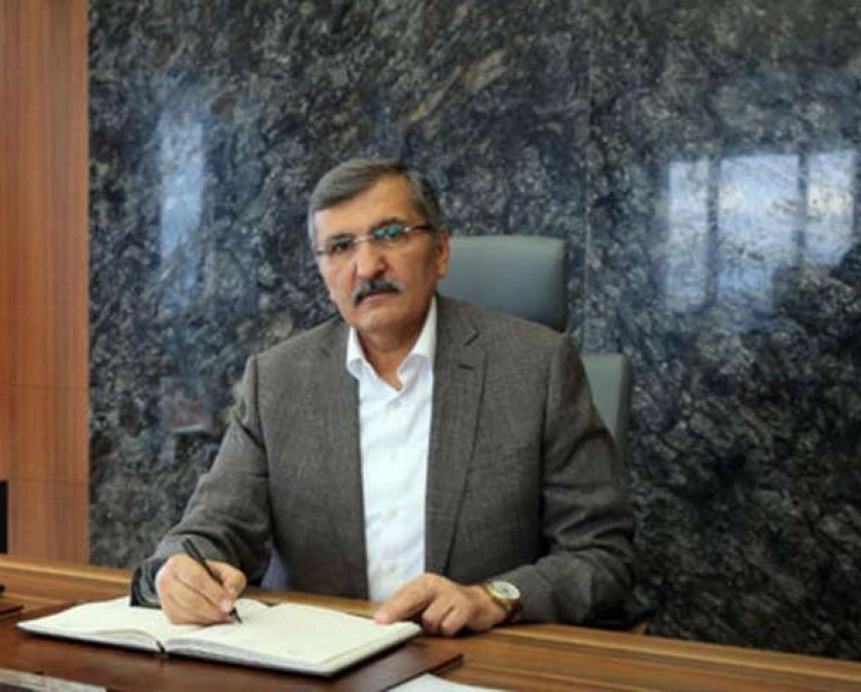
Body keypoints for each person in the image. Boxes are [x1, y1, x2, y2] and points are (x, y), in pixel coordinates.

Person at [130, 158, 634, 635]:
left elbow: (601, 554)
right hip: (321, 662)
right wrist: (180, 571)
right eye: (340, 246)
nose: (367, 265)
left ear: (441, 251)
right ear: (323, 273)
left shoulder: (535, 367)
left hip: (477, 659)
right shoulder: (278, 380)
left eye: (390, 234)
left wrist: (495, 597)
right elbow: (210, 529)